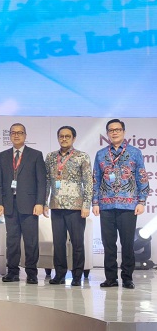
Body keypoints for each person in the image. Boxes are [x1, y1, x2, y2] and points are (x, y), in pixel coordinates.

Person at [93, 119, 149, 289]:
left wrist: (141, 201)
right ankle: (110, 278)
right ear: (107, 134)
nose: (114, 132)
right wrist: (95, 202)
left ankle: (127, 278)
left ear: (123, 132)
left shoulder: (135, 152)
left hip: (128, 206)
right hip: (106, 206)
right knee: (108, 244)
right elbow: (96, 179)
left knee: (127, 244)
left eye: (117, 129)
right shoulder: (101, 154)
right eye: (111, 130)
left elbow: (141, 177)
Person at [0, 123, 47, 284]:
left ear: (25, 135)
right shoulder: (3, 156)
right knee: (12, 240)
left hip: (30, 204)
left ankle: (31, 273)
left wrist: (40, 202)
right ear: (10, 135)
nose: (16, 135)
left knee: (31, 240)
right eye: (13, 133)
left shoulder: (36, 155)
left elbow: (41, 182)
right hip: (9, 204)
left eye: (20, 133)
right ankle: (12, 272)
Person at [43, 126, 92, 287]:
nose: (64, 139)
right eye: (61, 136)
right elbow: (47, 181)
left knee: (77, 243)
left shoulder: (82, 156)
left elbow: (88, 182)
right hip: (56, 206)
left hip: (76, 208)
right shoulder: (51, 157)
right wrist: (44, 202)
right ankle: (60, 274)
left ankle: (77, 276)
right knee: (58, 243)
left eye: (67, 136)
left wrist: (86, 205)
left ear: (74, 138)